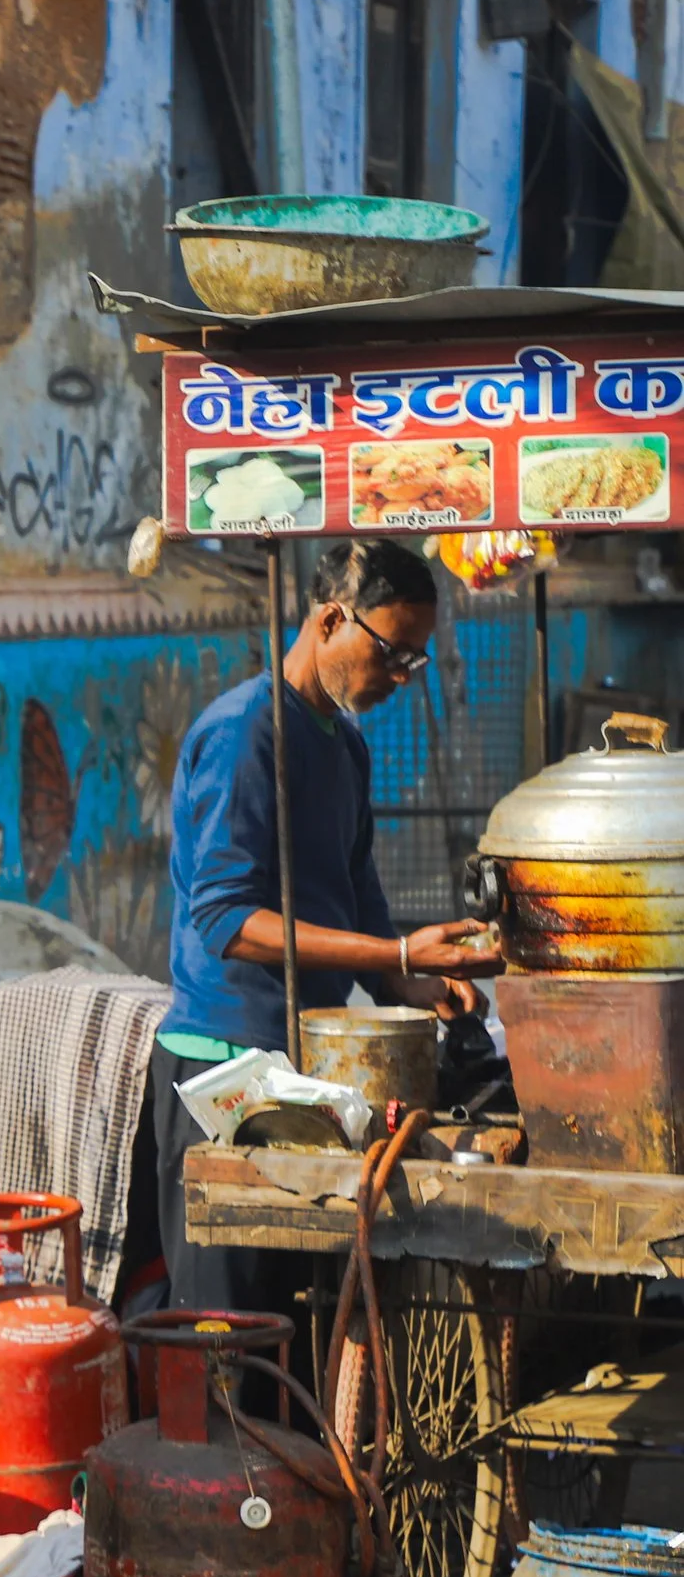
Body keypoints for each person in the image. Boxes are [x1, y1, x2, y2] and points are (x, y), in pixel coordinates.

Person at [151, 538, 500, 1313]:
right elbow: (225, 919)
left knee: (301, 1323)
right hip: (221, 1071)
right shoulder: (247, 732)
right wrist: (396, 950)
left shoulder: (345, 746)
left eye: (416, 662)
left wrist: (416, 980)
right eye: (394, 654)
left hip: (299, 1069)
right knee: (230, 1339)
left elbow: (360, 900)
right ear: (332, 619)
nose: (401, 678)